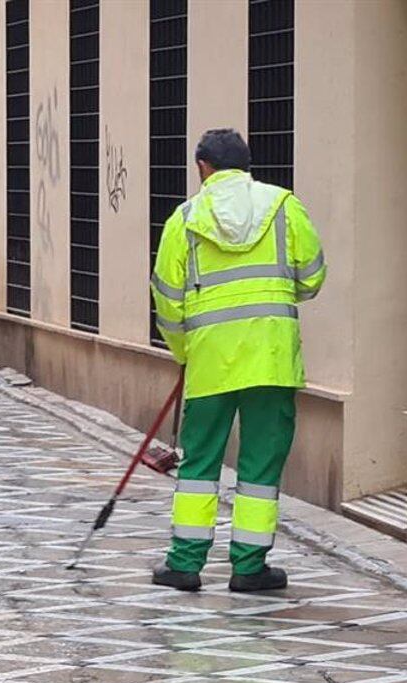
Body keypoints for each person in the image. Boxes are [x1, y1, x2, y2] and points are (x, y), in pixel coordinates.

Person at [148, 129, 326, 593]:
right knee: (261, 468)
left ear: (202, 167)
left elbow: (167, 299)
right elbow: (312, 277)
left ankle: (184, 564)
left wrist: (185, 350)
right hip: (271, 358)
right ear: (247, 165)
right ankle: (249, 568)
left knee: (199, 464)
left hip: (210, 361)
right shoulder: (285, 207)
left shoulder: (184, 219)